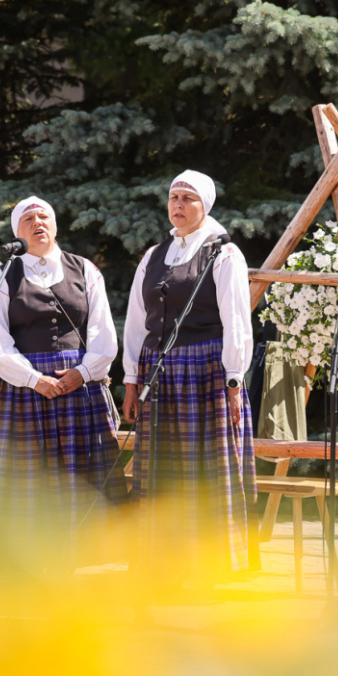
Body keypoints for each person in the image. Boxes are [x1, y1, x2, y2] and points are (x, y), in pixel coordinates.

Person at [122, 171, 255, 580]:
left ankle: (210, 564)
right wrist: (130, 379)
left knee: (203, 469)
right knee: (162, 469)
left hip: (205, 371)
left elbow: (237, 321)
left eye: (188, 198)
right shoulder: (153, 255)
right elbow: (135, 321)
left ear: (205, 206)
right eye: (173, 197)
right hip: (158, 372)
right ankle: (162, 562)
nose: (178, 204)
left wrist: (234, 380)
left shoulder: (223, 254)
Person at [0, 196, 119, 570]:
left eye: (44, 216)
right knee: (33, 475)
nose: (38, 222)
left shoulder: (85, 269)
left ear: (55, 225)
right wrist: (32, 378)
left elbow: (103, 333)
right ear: (17, 231)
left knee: (79, 470)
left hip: (80, 384)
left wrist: (83, 372)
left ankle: (85, 554)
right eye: (28, 219)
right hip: (27, 388)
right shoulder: (3, 275)